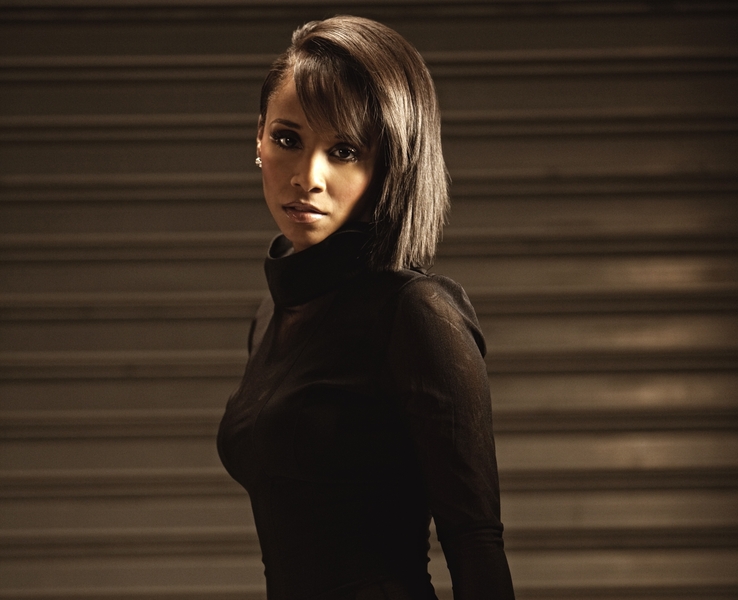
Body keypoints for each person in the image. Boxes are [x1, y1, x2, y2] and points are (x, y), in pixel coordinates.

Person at [217, 15, 515, 600]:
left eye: (345, 150)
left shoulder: (416, 312)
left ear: (389, 165)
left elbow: (475, 542)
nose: (308, 177)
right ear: (258, 139)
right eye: (287, 139)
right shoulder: (272, 315)